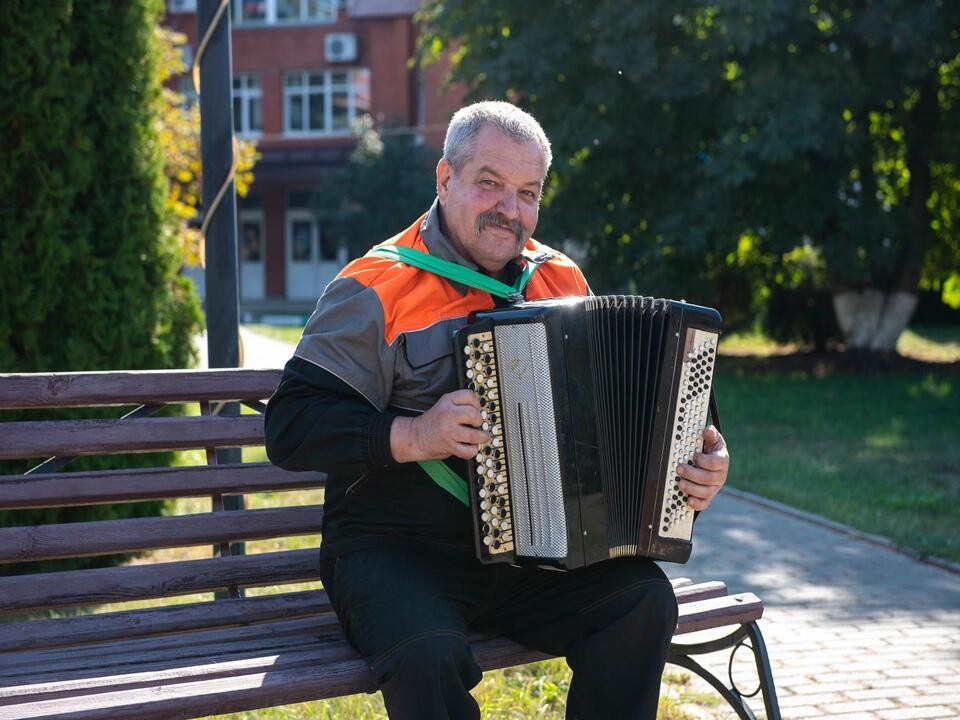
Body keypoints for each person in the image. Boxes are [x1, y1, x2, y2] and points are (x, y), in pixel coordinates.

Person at [265, 101, 729, 720]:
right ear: (444, 177)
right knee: (426, 657)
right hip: (396, 552)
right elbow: (291, 426)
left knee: (641, 601)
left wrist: (699, 462)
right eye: (489, 183)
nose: (510, 210)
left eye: (527, 192)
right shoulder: (373, 287)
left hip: (536, 555)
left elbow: (626, 413)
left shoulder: (558, 278)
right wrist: (412, 433)